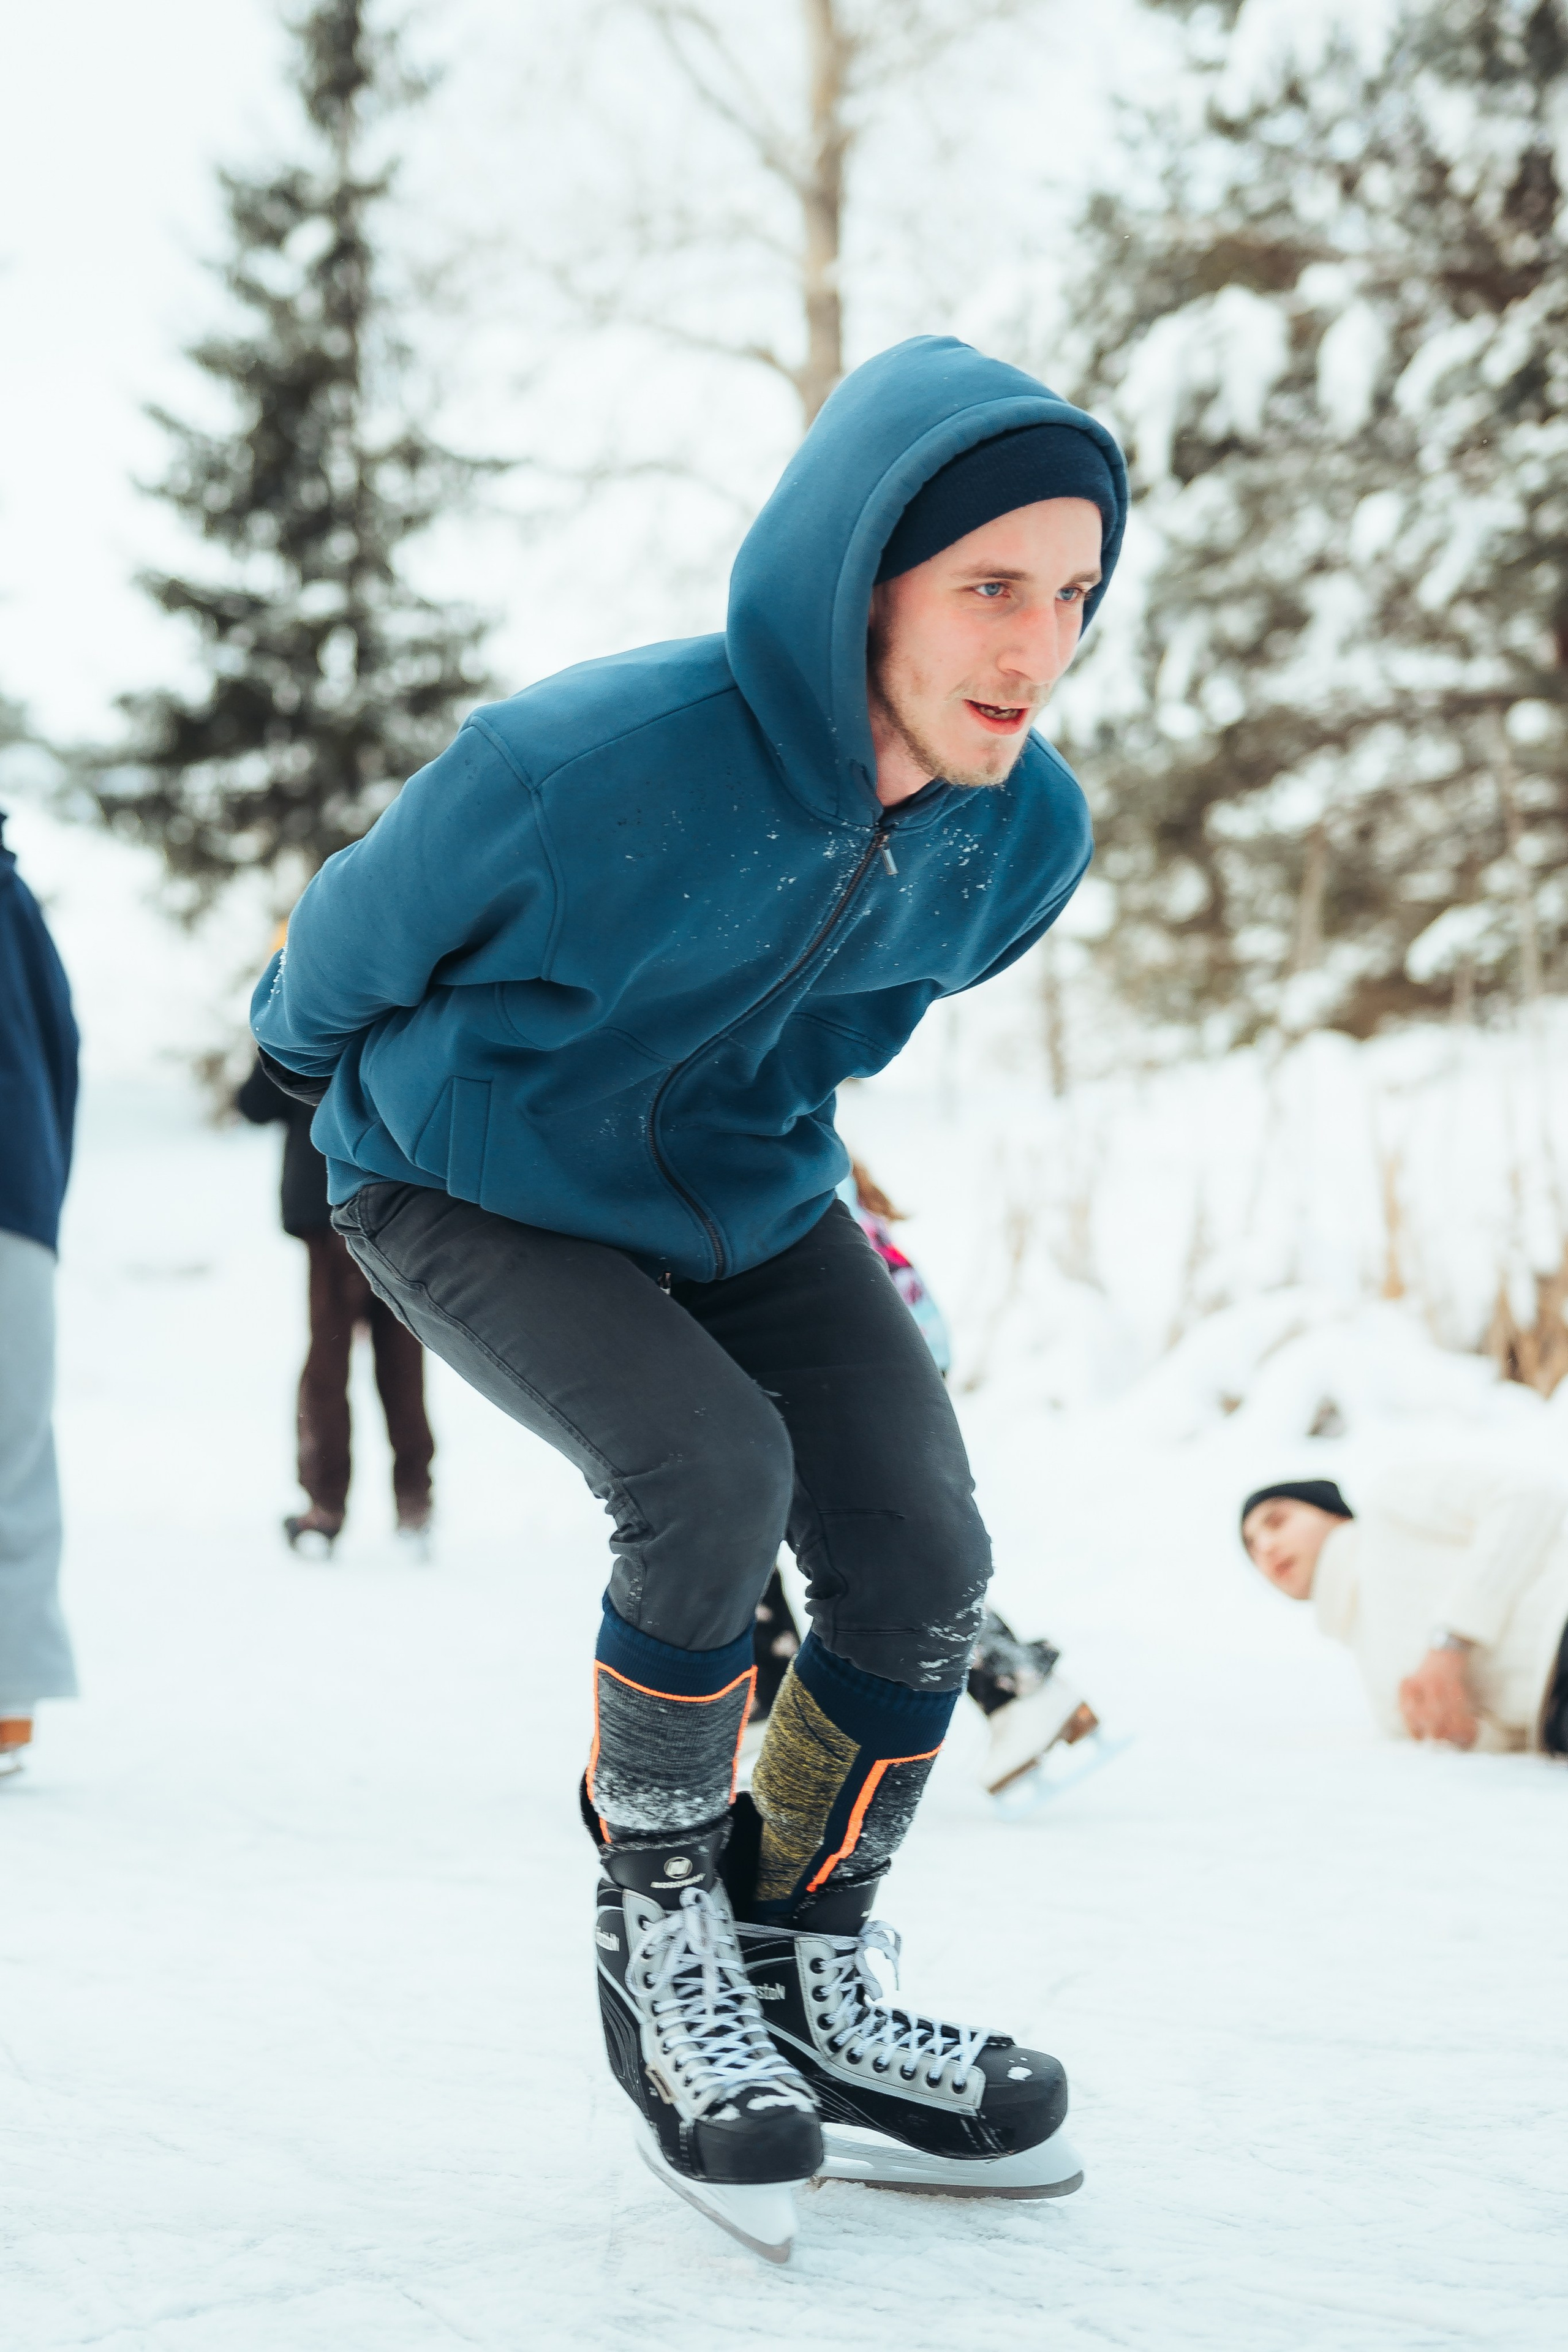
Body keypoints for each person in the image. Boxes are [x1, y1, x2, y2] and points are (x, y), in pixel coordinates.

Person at [250, 336, 1124, 2256]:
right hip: (460, 1177)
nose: (1036, 641)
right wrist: (339, 1094)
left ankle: (796, 1950)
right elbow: (335, 954)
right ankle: (660, 1927)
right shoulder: (580, 764)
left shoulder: (1019, 831)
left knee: (916, 1545)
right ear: (858, 579)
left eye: (1070, 591)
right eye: (990, 583)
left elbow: (824, 1022)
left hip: (743, 1195)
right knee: (708, 1472)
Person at [747, 1158, 1104, 1800]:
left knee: (848, 1540)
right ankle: (1016, 1684)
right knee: (846, 1535)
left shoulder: (775, 1142)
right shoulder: (802, 1140)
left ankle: (1014, 1684)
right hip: (868, 1354)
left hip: (836, 1355)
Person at [236, 1049, 435, 1559]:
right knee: (401, 1360)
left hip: (332, 1213)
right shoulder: (394, 1008)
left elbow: (254, 1104)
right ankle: (415, 1505)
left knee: (329, 1361)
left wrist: (265, 1044)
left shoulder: (302, 1019)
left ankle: (324, 1509)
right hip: (398, 1206)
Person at [1240, 1471, 1568, 1754]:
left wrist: (1452, 1640)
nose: (1266, 1548)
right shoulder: (1382, 1696)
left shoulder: (1392, 1503)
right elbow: (1514, 1740)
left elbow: (1526, 1498)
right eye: (1252, 1547)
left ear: (1334, 1514)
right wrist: (1469, 1734)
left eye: (1277, 1522)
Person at [0, 812, 80, 1777]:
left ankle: (9, 1693)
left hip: (10, 1198)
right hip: (16, 1202)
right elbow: (62, 1052)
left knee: (11, 1446)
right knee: (12, 1445)